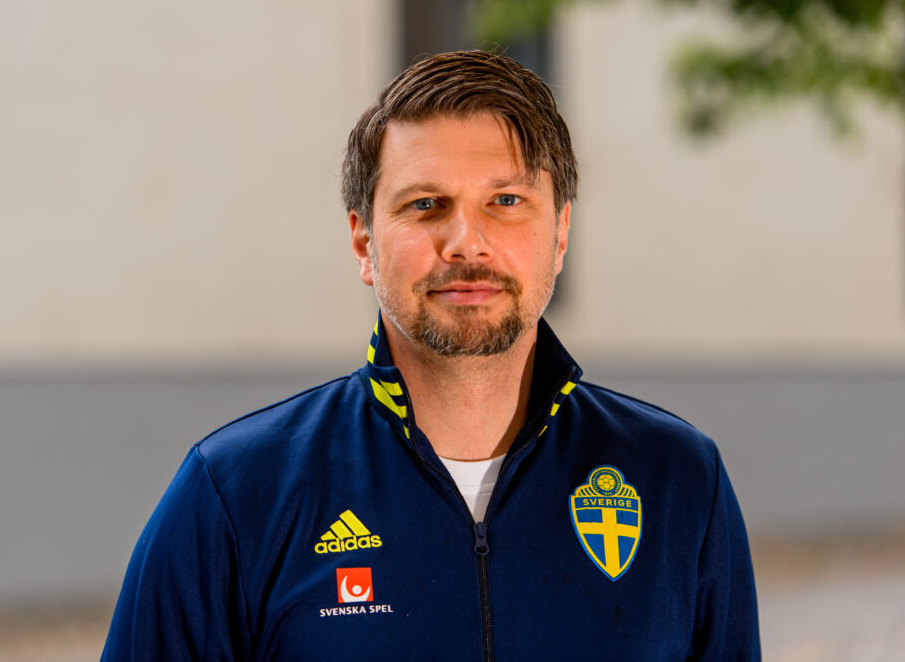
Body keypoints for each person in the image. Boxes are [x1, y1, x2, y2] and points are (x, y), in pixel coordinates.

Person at [102, 50, 760, 661]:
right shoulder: (235, 493)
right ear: (364, 242)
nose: (466, 242)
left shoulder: (678, 480)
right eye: (425, 205)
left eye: (506, 201)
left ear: (559, 234)